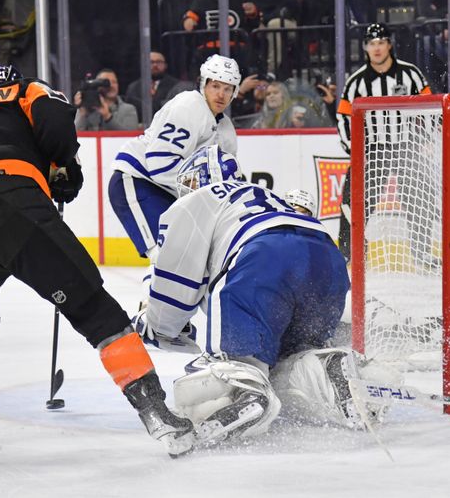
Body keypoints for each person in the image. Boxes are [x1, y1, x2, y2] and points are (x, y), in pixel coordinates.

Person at [0, 65, 194, 457]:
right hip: (14, 208)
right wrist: (66, 167)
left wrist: (49, 171)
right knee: (96, 311)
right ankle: (156, 411)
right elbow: (56, 122)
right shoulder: (25, 90)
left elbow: (0, 152)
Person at [133, 146, 360, 445]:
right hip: (325, 260)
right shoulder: (265, 195)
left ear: (202, 178)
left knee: (232, 363)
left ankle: (244, 391)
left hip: (265, 258)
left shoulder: (198, 200)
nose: (185, 191)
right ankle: (325, 368)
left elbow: (175, 284)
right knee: (288, 358)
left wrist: (154, 325)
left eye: (189, 183)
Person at [108, 54, 240, 264]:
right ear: (203, 84)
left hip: (171, 193)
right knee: (166, 258)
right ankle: (150, 297)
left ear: (235, 92)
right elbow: (160, 164)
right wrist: (204, 190)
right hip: (138, 182)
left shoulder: (226, 129)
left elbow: (229, 182)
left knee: (192, 260)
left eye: (227, 88)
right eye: (215, 86)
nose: (221, 94)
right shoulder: (188, 106)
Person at [335, 23, 432, 262]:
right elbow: (343, 118)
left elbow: (430, 109)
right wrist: (355, 150)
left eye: (381, 42)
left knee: (419, 201)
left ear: (389, 44)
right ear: (366, 48)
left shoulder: (410, 74)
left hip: (408, 149)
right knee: (353, 203)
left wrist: (425, 141)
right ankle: (349, 256)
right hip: (371, 152)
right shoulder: (356, 82)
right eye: (371, 43)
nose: (376, 48)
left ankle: (421, 254)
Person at [124, 51, 181, 124]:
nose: (155, 65)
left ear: (165, 65)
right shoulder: (133, 87)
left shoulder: (176, 86)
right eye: (151, 62)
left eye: (159, 62)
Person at [73, 68, 139, 131]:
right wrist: (83, 114)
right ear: (96, 85)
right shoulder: (87, 109)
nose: (111, 86)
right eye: (106, 82)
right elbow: (72, 136)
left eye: (114, 82)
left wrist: (108, 117)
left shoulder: (128, 109)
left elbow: (131, 137)